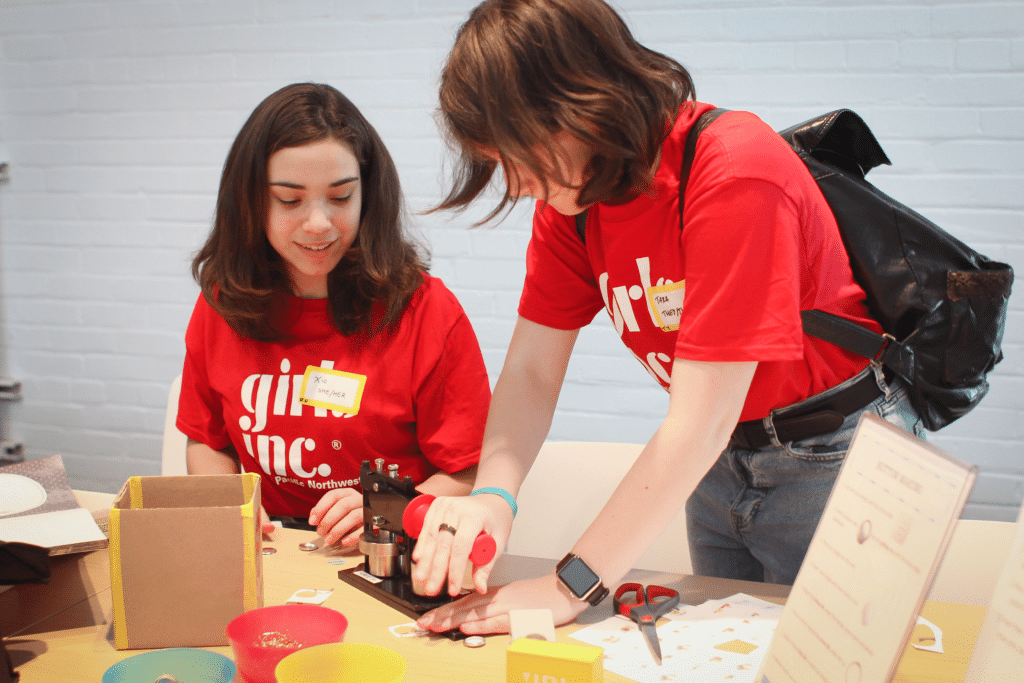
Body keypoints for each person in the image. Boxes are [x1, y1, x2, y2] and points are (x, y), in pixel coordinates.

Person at [410, 0, 923, 635]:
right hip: (720, 461)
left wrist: (571, 586)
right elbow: (533, 371)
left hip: (836, 453)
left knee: (834, 659)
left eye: (519, 154)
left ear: (579, 103)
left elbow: (700, 418)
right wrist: (493, 496)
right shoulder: (573, 206)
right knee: (727, 657)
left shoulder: (734, 168)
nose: (513, 184)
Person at [177, 82, 491, 546]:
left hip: (390, 547)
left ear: (368, 194)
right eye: (289, 200)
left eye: (341, 197)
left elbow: (469, 471)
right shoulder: (223, 302)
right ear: (250, 202)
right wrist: (227, 505)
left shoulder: (426, 312)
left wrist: (390, 508)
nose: (320, 223)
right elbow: (208, 439)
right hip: (270, 548)